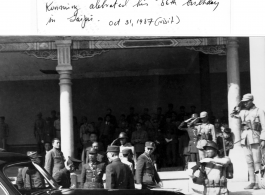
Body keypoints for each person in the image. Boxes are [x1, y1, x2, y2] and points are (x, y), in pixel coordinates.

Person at [231, 93, 265, 189]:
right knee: (249, 161)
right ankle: (252, 182)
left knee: (257, 161)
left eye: (246, 102)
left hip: (255, 138)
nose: (245, 104)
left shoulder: (259, 111)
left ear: (251, 101)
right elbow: (232, 115)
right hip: (245, 139)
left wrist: (263, 139)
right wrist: (238, 106)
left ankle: (258, 183)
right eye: (244, 102)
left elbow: (264, 126)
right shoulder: (242, 112)